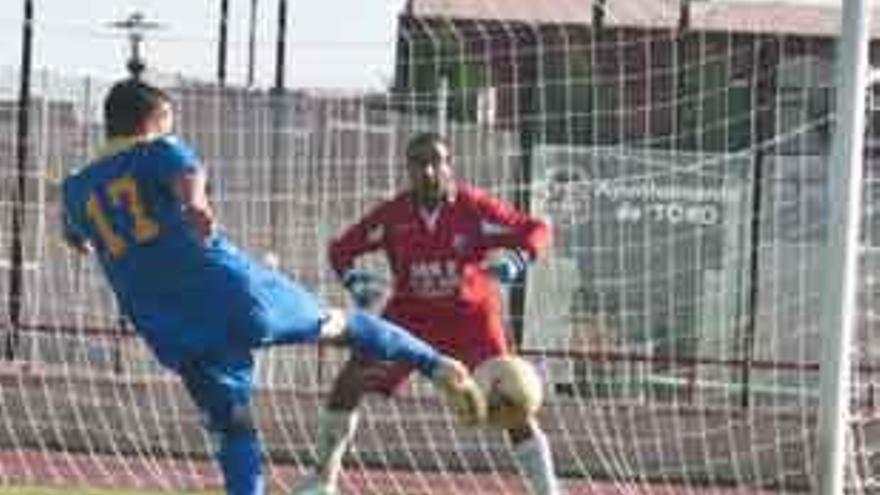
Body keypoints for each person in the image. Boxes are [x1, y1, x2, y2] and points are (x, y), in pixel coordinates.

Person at [59, 79, 484, 495]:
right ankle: (438, 366)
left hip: (169, 326)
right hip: (232, 294)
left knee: (233, 425)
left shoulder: (76, 188)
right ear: (152, 119)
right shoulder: (160, 150)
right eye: (168, 118)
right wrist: (197, 206)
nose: (171, 128)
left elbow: (75, 238)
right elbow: (189, 179)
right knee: (344, 326)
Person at [297, 132, 561, 495]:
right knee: (350, 381)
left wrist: (518, 259)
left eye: (437, 161)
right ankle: (322, 480)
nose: (429, 170)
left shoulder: (474, 209)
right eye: (419, 162)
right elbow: (341, 249)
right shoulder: (393, 215)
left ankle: (548, 491)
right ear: (408, 169)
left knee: (514, 404)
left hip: (471, 322)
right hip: (409, 320)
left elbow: (538, 229)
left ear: (450, 166)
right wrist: (354, 280)